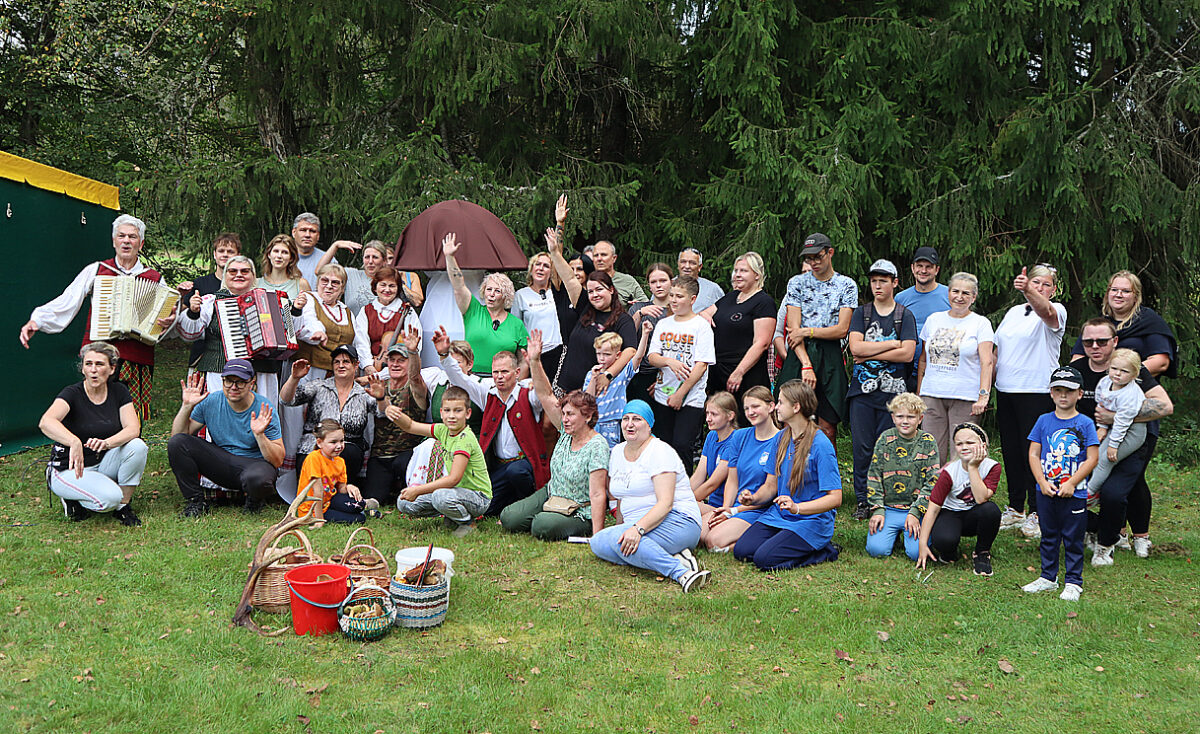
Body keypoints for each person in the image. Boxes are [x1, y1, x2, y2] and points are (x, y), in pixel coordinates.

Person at [20, 214, 175, 421]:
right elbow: (69, 299)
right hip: (99, 354)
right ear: (113, 241)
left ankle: (130, 441)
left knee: (131, 415)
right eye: (121, 236)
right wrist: (38, 320)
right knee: (95, 410)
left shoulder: (155, 279)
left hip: (137, 356)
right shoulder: (97, 270)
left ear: (141, 243)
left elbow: (167, 320)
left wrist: (168, 321)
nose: (126, 241)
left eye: (132, 237)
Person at [1071, 319, 1174, 563]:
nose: (1095, 346)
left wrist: (1114, 418)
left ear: (1115, 341)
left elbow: (1165, 406)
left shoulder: (1131, 368)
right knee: (1064, 486)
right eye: (1088, 342)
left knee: (1114, 493)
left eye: (1102, 341)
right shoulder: (1077, 370)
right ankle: (1095, 529)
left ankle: (1107, 545)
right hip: (1090, 439)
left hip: (1130, 441)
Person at [589, 401, 711, 592]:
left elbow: (665, 504)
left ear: (649, 425)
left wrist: (637, 530)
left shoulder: (660, 451)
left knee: (618, 542)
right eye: (626, 419)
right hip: (640, 525)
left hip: (679, 521)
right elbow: (621, 498)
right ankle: (674, 556)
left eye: (637, 419)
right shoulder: (618, 452)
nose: (630, 424)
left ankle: (682, 573)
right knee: (598, 543)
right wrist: (622, 528)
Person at [501, 328, 611, 540]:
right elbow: (545, 393)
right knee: (509, 517)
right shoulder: (565, 431)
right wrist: (535, 361)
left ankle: (559, 521)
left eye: (571, 415)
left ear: (587, 417)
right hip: (553, 493)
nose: (565, 419)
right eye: (564, 414)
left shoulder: (597, 445)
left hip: (580, 509)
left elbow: (598, 493)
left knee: (541, 525)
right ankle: (547, 516)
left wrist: (597, 536)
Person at [435, 325, 548, 516]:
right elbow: (461, 379)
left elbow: (544, 393)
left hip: (525, 464)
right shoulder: (488, 393)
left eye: (504, 372)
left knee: (516, 472)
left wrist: (535, 364)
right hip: (500, 467)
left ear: (517, 372)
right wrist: (445, 356)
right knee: (485, 509)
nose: (499, 377)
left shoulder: (527, 393)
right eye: (496, 372)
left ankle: (527, 505)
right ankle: (508, 503)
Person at [731, 380, 842, 570]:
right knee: (742, 551)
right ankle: (785, 541)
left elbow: (835, 498)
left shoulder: (821, 444)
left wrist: (797, 508)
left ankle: (825, 551)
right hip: (781, 515)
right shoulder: (781, 438)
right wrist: (753, 498)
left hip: (810, 520)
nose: (777, 407)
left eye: (781, 402)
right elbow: (770, 486)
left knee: (764, 560)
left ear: (796, 407)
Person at [992, 264, 1068, 538]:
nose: (1040, 288)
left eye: (1046, 284)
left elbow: (1046, 312)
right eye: (1036, 282)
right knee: (1011, 451)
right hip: (1006, 390)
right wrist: (984, 387)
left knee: (1034, 452)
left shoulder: (1056, 310)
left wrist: (1028, 291)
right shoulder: (1013, 312)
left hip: (1036, 392)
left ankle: (1038, 511)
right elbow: (997, 352)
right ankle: (1016, 507)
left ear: (1053, 290)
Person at [40, 341, 148, 526]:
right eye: (88, 364)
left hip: (103, 463)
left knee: (138, 446)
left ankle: (123, 506)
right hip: (70, 468)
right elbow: (46, 422)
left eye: (100, 364)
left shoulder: (119, 391)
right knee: (110, 499)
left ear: (112, 369)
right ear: (82, 369)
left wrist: (107, 443)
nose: (93, 370)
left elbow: (133, 429)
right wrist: (73, 442)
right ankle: (72, 497)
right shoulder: (72, 393)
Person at [846, 259, 917, 519]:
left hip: (894, 396)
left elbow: (908, 354)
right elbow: (855, 348)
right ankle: (863, 500)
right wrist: (892, 345)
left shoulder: (904, 315)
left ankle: (887, 499)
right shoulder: (861, 313)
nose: (877, 286)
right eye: (874, 281)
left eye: (883, 281)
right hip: (862, 394)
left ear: (894, 283)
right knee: (862, 448)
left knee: (889, 448)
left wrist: (870, 352)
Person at [1021, 365, 1099, 601]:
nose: (1063, 395)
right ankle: (1048, 577)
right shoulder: (1043, 420)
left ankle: (1074, 581)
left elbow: (1092, 457)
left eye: (1069, 390)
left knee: (1073, 538)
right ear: (1051, 393)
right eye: (1058, 390)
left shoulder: (1085, 423)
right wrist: (1042, 482)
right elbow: (1034, 453)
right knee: (1049, 534)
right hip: (1046, 490)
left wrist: (1072, 483)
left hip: (1074, 493)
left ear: (1080, 394)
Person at [168, 360, 284, 517]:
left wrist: (260, 435)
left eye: (240, 382)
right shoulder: (211, 401)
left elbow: (277, 460)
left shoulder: (264, 408)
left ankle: (254, 501)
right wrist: (186, 407)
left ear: (252, 383)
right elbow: (179, 435)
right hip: (221, 462)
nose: (233, 387)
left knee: (258, 478)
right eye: (229, 381)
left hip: (253, 465)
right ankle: (196, 502)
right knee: (177, 443)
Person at [777, 234, 857, 446]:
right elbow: (793, 331)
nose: (813, 262)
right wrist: (806, 365)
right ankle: (787, 464)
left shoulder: (846, 285)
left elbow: (841, 330)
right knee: (788, 420)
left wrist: (807, 331)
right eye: (809, 258)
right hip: (800, 353)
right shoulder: (796, 283)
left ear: (830, 253)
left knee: (828, 426)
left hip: (830, 354)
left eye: (818, 257)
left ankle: (825, 464)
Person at [175, 255, 283, 407]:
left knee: (262, 415)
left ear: (253, 276)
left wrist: (296, 311)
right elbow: (189, 334)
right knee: (219, 413)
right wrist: (193, 312)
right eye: (233, 271)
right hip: (219, 372)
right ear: (225, 276)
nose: (239, 275)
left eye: (245, 271)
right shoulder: (211, 301)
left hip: (261, 373)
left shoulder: (269, 300)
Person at [389, 385, 493, 537]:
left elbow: (454, 478)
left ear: (468, 413)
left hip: (478, 497)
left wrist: (417, 490)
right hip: (454, 493)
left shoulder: (465, 439)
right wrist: (393, 413)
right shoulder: (443, 430)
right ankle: (452, 515)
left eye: (458, 411)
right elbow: (410, 426)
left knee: (440, 496)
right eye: (447, 410)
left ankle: (467, 523)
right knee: (404, 502)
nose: (452, 416)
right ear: (441, 412)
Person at [917, 272, 994, 465]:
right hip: (932, 395)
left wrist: (983, 396)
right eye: (955, 291)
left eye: (966, 293)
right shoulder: (934, 320)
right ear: (948, 293)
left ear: (973, 297)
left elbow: (987, 362)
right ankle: (934, 486)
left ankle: (962, 486)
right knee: (931, 453)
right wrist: (919, 393)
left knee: (962, 454)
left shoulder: (981, 323)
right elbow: (923, 360)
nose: (959, 297)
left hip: (965, 397)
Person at [547, 235, 638, 392]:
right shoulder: (585, 306)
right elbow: (569, 278)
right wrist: (555, 252)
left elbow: (630, 351)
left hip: (594, 390)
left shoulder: (622, 320)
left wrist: (608, 375)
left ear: (611, 290)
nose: (595, 295)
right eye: (590, 291)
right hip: (565, 387)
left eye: (599, 289)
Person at [280, 345, 376, 483]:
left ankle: (341, 490)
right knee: (312, 459)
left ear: (356, 365)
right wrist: (294, 378)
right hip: (314, 448)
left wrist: (381, 397)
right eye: (337, 362)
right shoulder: (319, 386)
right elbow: (286, 400)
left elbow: (382, 412)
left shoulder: (363, 394)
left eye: (346, 361)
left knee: (349, 452)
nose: (341, 365)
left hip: (347, 453)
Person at [914, 423, 1002, 575]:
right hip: (950, 513)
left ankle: (982, 553)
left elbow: (981, 498)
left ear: (983, 445)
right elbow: (933, 509)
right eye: (959, 444)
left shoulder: (992, 467)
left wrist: (973, 467)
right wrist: (922, 544)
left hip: (975, 514)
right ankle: (949, 552)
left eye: (970, 442)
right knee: (944, 540)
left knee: (991, 510)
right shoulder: (949, 472)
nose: (964, 447)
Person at [647, 276, 715, 468]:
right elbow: (652, 357)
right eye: (672, 295)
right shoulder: (663, 324)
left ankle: (684, 484)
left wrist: (680, 394)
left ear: (692, 299)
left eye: (679, 296)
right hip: (663, 395)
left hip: (690, 397)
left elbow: (702, 365)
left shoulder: (701, 326)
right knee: (664, 445)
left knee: (682, 444)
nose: (674, 300)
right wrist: (669, 361)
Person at [702, 387, 780, 552]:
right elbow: (732, 480)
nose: (750, 412)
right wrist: (725, 509)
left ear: (771, 406)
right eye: (746, 408)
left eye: (755, 406)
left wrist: (734, 511)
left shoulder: (781, 440)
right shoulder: (740, 436)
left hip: (760, 508)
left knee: (713, 540)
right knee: (699, 534)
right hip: (735, 506)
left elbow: (772, 491)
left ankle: (761, 539)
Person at [864, 393, 939, 560]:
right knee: (877, 550)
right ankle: (891, 533)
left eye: (911, 417)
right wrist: (878, 509)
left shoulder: (928, 442)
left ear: (920, 419)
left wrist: (916, 511)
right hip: (889, 508)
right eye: (900, 416)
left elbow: (933, 482)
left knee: (915, 553)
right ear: (893, 417)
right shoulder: (885, 439)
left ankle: (915, 530)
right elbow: (874, 476)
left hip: (915, 509)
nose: (905, 421)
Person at [705, 251, 776, 422]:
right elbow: (703, 314)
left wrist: (739, 372)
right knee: (720, 420)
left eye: (743, 271)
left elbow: (762, 343)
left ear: (757, 274)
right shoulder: (730, 297)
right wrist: (705, 316)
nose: (737, 275)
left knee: (746, 420)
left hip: (745, 374)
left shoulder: (763, 302)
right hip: (718, 371)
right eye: (736, 270)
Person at [442, 232, 528, 373]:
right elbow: (458, 285)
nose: (491, 294)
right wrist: (449, 257)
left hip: (502, 381)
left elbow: (524, 360)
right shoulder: (473, 310)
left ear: (506, 297)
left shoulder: (516, 324)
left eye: (497, 291)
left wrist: (517, 383)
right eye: (489, 289)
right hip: (472, 377)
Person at [1071, 270, 1176, 378]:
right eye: (1114, 290)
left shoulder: (1149, 321)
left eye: (1126, 291)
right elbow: (1077, 359)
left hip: (1136, 384)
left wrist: (1120, 376)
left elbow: (1160, 362)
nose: (1118, 295)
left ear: (1136, 296)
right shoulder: (1099, 323)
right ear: (1108, 293)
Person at [364, 330, 428, 505]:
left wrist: (413, 352)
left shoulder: (414, 388)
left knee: (409, 501)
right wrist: (380, 397)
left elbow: (415, 377)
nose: (395, 364)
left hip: (407, 456)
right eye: (392, 360)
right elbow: (381, 411)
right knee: (373, 500)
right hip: (381, 455)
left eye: (401, 360)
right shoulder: (379, 385)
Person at [296, 419, 378, 524]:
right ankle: (364, 512)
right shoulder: (314, 458)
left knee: (359, 504)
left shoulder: (340, 461)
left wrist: (349, 487)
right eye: (333, 442)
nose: (339, 446)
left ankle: (363, 508)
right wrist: (319, 520)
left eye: (342, 441)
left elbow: (341, 489)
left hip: (329, 500)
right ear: (319, 443)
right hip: (312, 509)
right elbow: (318, 492)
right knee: (360, 519)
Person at [1089, 348, 1147, 496]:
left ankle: (1090, 493)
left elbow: (1123, 421)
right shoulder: (1105, 382)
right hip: (1115, 426)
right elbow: (1101, 404)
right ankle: (1093, 488)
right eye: (1114, 368)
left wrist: (1113, 445)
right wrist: (1102, 427)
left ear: (1134, 374)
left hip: (1133, 431)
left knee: (1106, 459)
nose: (1117, 374)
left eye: (1124, 371)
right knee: (1097, 455)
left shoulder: (1130, 394)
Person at [180, 232, 243, 367]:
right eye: (221, 251)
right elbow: (181, 315)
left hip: (237, 356)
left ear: (238, 256)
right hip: (202, 354)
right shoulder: (200, 283)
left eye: (230, 251)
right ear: (214, 254)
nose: (225, 255)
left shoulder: (243, 286)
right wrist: (184, 299)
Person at [351, 265, 422, 377]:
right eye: (383, 285)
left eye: (392, 286)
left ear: (398, 289)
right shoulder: (366, 311)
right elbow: (361, 341)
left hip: (400, 370)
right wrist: (368, 366)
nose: (387, 290)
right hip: (372, 369)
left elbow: (415, 344)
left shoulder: (408, 311)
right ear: (375, 287)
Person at [585, 328, 650, 447]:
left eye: (607, 354)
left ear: (618, 355)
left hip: (612, 424)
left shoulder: (622, 374)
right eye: (598, 354)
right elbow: (588, 399)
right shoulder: (591, 374)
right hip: (592, 424)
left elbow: (638, 357)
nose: (602, 358)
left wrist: (645, 334)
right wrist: (593, 379)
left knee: (611, 454)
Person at [895, 246, 950, 372]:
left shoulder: (950, 296)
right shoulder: (900, 298)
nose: (923, 270)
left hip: (940, 369)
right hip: (906, 369)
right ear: (912, 268)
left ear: (937, 270)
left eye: (928, 267)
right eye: (919, 266)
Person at [512, 251, 566, 379]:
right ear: (531, 269)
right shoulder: (520, 295)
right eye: (537, 264)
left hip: (557, 352)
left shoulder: (558, 293)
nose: (541, 268)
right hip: (533, 354)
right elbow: (516, 328)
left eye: (546, 266)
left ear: (551, 272)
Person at [691, 392, 740, 530]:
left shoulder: (735, 440)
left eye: (714, 414)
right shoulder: (712, 435)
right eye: (707, 413)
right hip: (710, 504)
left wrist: (686, 500)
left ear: (730, 416)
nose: (708, 419)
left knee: (678, 507)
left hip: (725, 508)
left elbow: (712, 484)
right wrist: (681, 495)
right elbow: (698, 476)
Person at [627, 262, 674, 403]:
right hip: (638, 373)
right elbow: (627, 337)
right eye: (654, 282)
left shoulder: (678, 310)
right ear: (649, 285)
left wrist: (663, 379)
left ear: (671, 282)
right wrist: (640, 313)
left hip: (667, 374)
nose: (658, 285)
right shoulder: (638, 308)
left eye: (663, 281)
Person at [256, 233, 312, 302]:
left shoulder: (301, 284)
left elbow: (310, 308)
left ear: (291, 258)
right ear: (269, 254)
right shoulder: (256, 284)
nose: (279, 256)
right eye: (276, 251)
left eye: (285, 252)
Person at [590, 240, 647, 305]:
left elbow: (645, 304)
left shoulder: (627, 281)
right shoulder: (588, 281)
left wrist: (636, 305)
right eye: (596, 255)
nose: (599, 259)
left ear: (614, 258)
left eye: (603, 255)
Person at [677, 247, 724, 312]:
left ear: (699, 267)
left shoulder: (712, 289)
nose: (687, 266)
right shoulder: (668, 285)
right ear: (678, 264)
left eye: (692, 263)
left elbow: (724, 311)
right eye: (683, 262)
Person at [291, 212, 327, 288]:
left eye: (312, 231)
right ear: (294, 232)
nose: (307, 235)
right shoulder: (282, 257)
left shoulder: (327, 259)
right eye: (303, 230)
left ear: (318, 236)